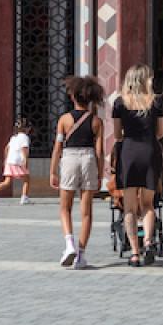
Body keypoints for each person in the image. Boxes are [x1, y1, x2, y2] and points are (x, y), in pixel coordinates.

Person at [110, 64, 163, 266]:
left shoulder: (119, 103)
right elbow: (161, 133)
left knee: (129, 208)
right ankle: (149, 242)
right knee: (148, 204)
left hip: (129, 153)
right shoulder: (156, 102)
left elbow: (117, 135)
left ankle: (135, 252)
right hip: (150, 151)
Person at [49, 75, 105, 267]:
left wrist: (53, 171)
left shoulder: (64, 120)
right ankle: (80, 254)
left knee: (65, 207)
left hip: (70, 158)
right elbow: (100, 152)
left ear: (73, 96)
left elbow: (57, 147)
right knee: (86, 212)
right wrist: (100, 174)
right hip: (89, 159)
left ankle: (69, 244)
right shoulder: (97, 121)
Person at [0, 117, 34, 205]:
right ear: (26, 128)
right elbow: (24, 149)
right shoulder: (24, 137)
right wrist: (26, 160)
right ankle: (24, 197)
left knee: (7, 181)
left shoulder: (14, 137)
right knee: (27, 179)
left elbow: (6, 148)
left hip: (10, 162)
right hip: (18, 162)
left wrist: (6, 160)